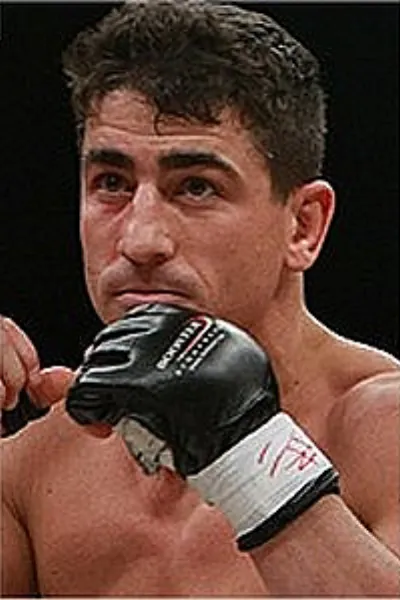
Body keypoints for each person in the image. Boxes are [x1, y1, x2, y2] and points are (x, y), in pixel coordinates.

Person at [1, 0, 399, 596]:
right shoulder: (35, 463)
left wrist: (248, 455)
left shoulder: (384, 431)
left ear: (303, 226)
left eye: (196, 187)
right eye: (111, 183)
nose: (141, 240)